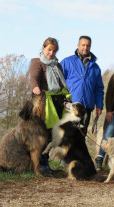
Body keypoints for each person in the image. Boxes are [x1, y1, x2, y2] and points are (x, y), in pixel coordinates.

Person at [29, 37, 69, 174]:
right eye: (49, 49)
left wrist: (64, 98)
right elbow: (34, 77)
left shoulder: (57, 65)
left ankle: (46, 163)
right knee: (44, 133)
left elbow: (60, 83)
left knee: (53, 134)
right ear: (43, 48)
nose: (51, 53)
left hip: (57, 101)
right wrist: (35, 87)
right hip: (44, 101)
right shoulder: (37, 62)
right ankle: (40, 164)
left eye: (54, 50)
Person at [60, 35, 104, 132]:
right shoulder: (67, 62)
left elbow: (99, 88)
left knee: (81, 136)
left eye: (88, 45)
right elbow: (59, 81)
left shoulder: (95, 67)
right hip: (70, 106)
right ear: (78, 45)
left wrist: (99, 105)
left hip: (86, 108)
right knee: (66, 135)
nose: (85, 47)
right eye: (83, 45)